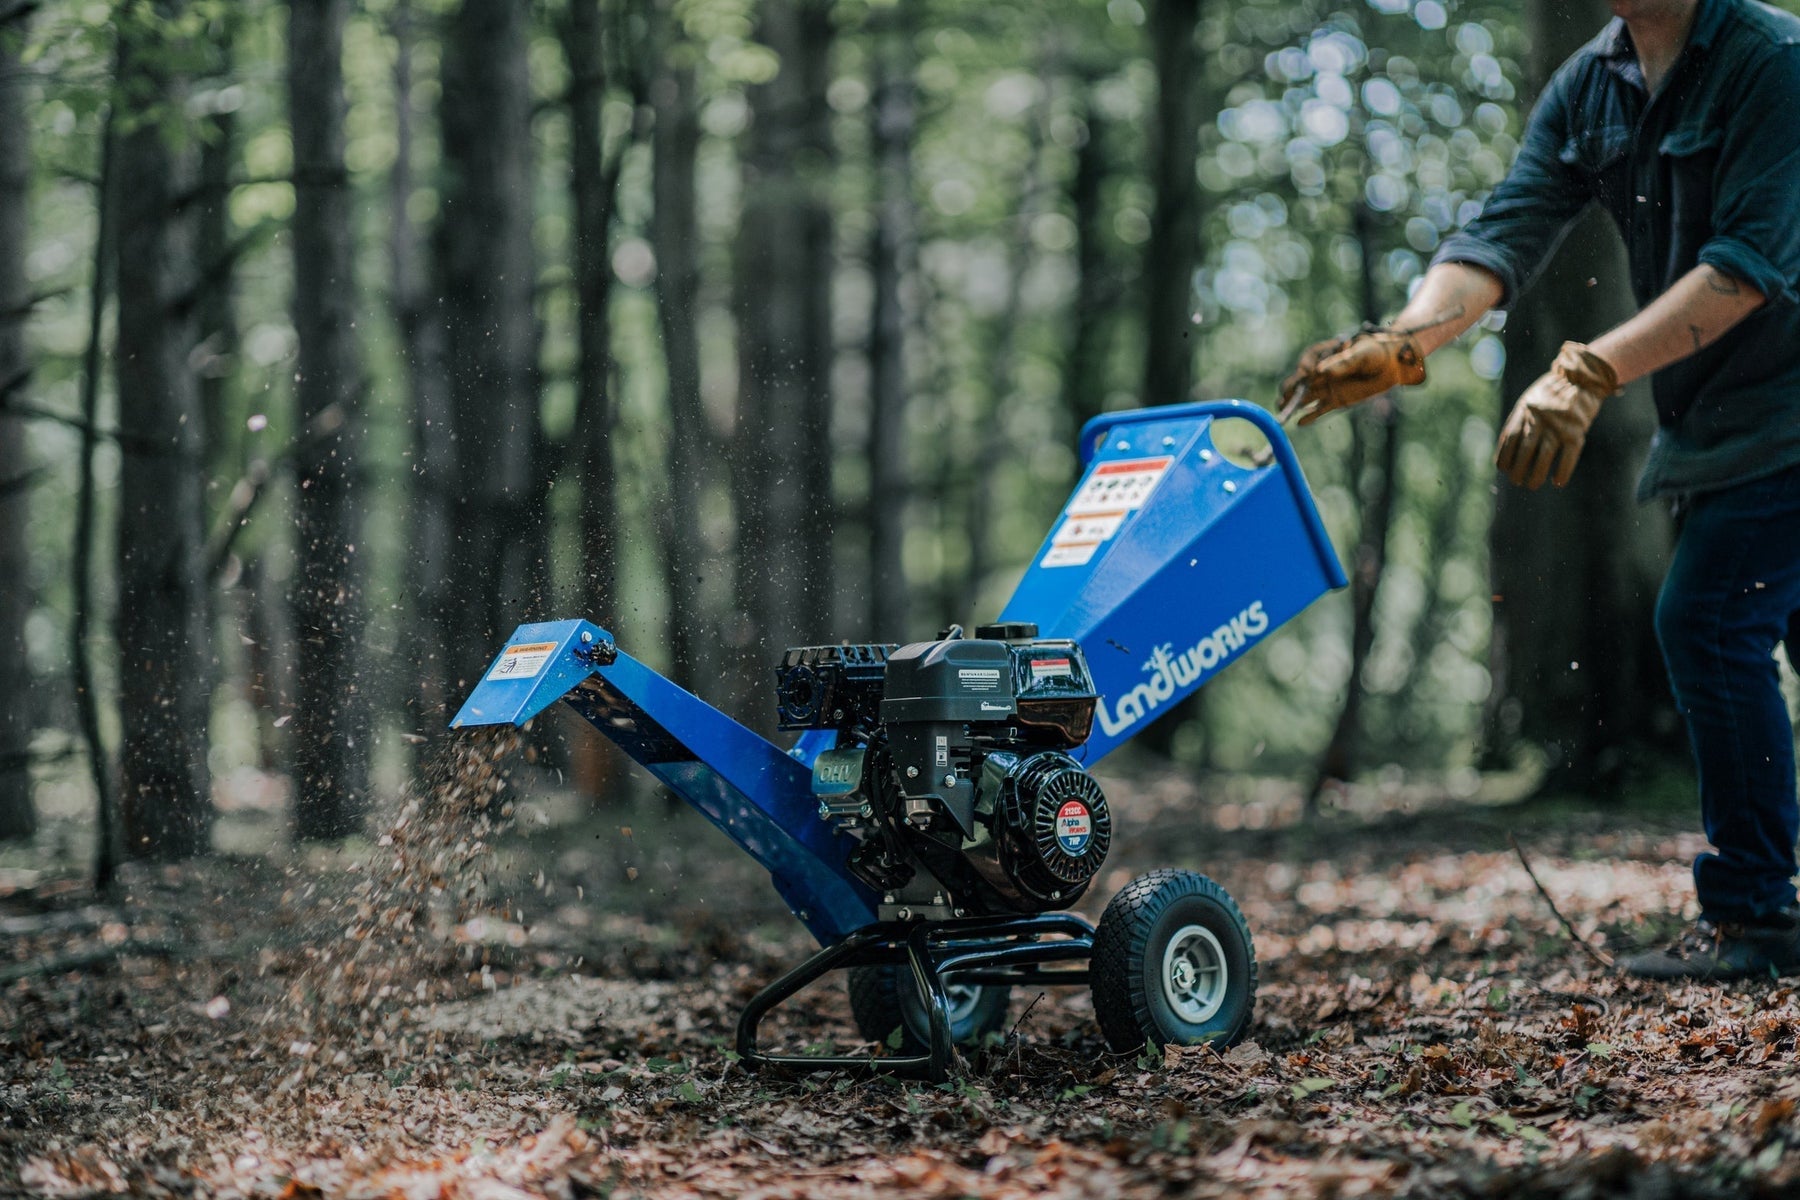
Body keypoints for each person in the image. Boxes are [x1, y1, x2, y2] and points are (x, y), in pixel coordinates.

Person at [1281, 0, 1800, 979]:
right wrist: (1409, 339)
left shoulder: (1773, 63)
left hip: (1788, 410)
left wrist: (1587, 371)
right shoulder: (1591, 83)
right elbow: (1504, 232)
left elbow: (1747, 270)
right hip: (1723, 422)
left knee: (1710, 620)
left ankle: (1755, 917)